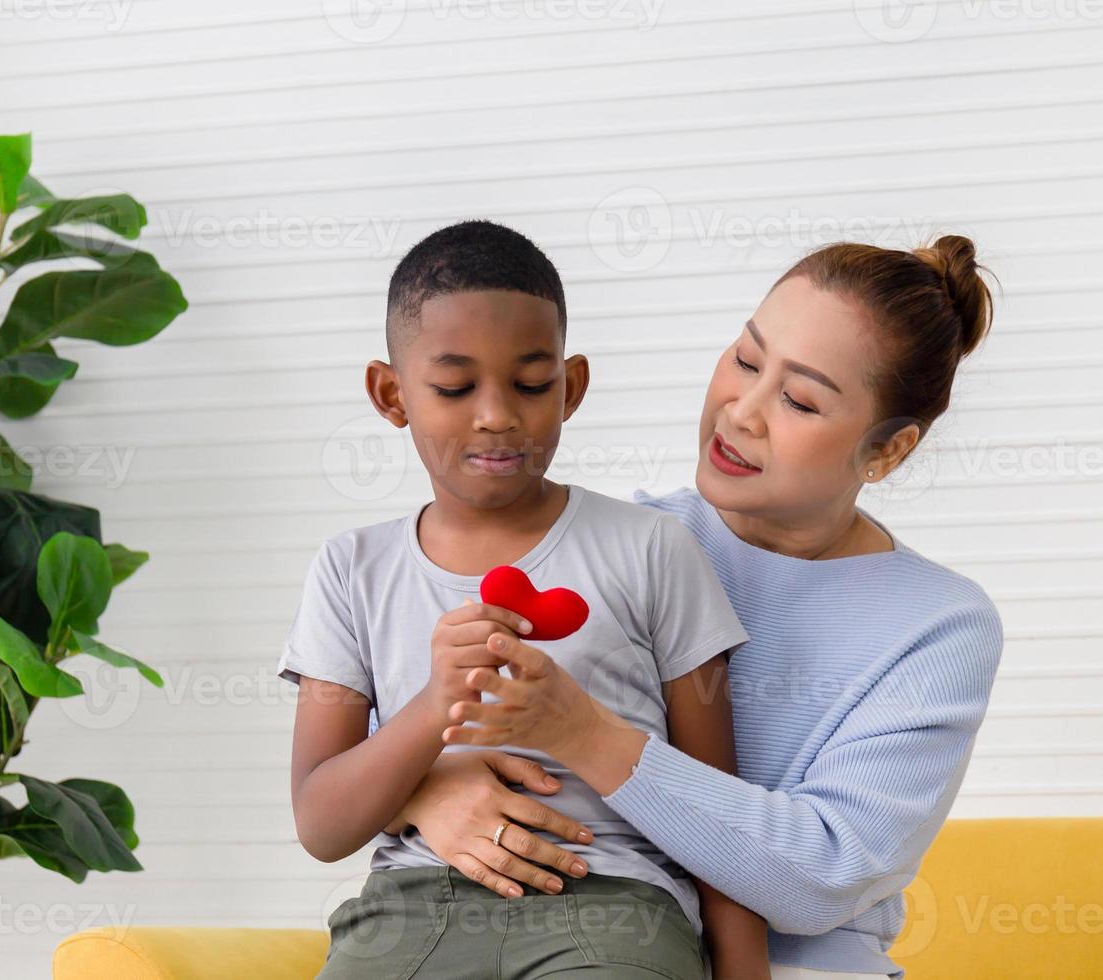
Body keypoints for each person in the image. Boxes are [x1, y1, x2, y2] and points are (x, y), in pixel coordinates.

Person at [395, 235, 1006, 979]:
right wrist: (424, 794)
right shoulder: (624, 545)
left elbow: (825, 872)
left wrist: (585, 734)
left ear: (887, 452)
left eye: (800, 399)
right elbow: (400, 721)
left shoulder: (938, 626)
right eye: (747, 359)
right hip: (586, 947)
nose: (742, 411)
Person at [278, 220, 771, 979]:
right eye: (453, 387)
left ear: (571, 387)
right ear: (390, 394)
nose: (498, 414)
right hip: (411, 907)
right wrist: (436, 704)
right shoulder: (352, 569)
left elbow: (719, 813)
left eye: (532, 384)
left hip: (614, 907)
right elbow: (321, 820)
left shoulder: (651, 549)